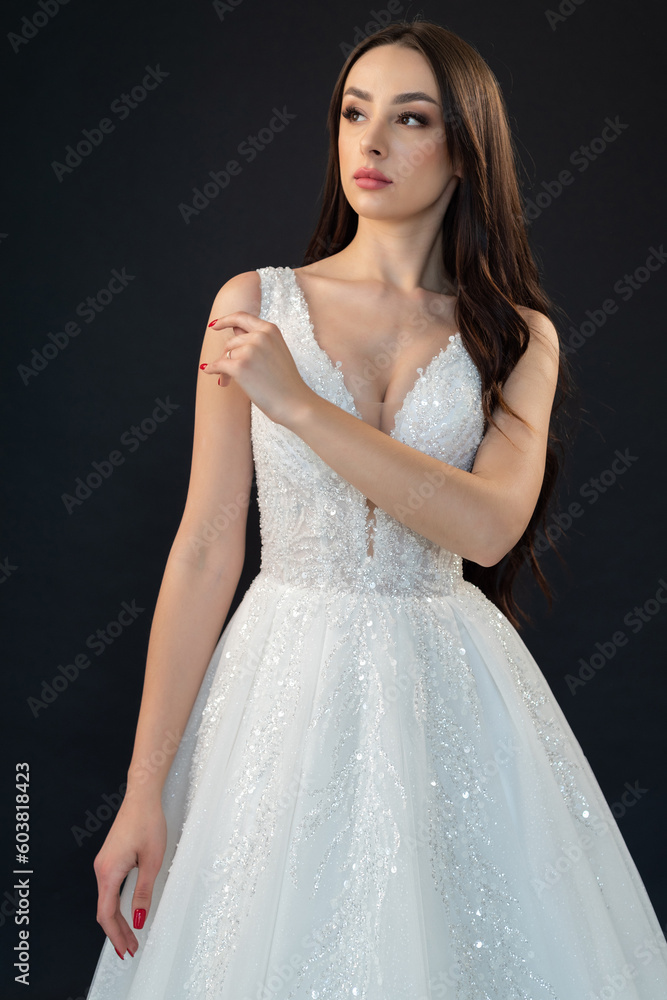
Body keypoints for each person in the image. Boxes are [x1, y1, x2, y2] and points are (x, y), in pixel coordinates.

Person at [87, 20, 667, 1000]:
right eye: (355, 112)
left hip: (450, 689)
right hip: (281, 680)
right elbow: (204, 549)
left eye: (410, 119)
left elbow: (487, 526)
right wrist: (143, 792)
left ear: (464, 149)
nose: (372, 140)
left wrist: (300, 406)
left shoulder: (516, 337)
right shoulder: (252, 303)